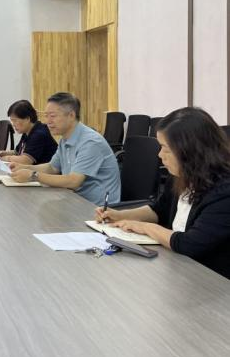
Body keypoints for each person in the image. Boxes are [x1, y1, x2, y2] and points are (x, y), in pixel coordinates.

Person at [96, 107, 230, 279]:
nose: (160, 155)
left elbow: (190, 244)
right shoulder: (182, 175)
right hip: (177, 265)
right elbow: (160, 210)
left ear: (190, 150)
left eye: (166, 149)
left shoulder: (224, 191)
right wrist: (119, 215)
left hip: (210, 278)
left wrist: (145, 227)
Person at [9, 92, 121, 205]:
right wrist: (24, 167)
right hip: (74, 199)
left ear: (71, 115)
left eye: (53, 116)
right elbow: (52, 167)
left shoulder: (91, 142)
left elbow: (74, 181)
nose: (48, 122)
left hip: (96, 207)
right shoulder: (65, 139)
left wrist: (33, 175)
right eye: (46, 116)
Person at [0, 100, 57, 164]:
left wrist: (3, 158)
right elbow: (17, 152)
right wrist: (0, 153)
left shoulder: (39, 134)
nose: (13, 124)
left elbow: (25, 160)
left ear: (27, 119)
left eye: (15, 120)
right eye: (12, 121)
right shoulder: (27, 131)